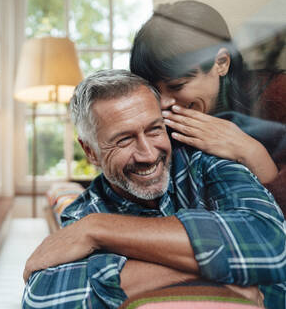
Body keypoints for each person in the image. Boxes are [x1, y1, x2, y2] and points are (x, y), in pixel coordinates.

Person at [22, 70, 286, 309]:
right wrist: (225, 268)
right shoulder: (83, 212)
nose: (148, 154)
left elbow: (273, 244)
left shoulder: (207, 162)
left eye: (154, 130)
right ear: (90, 151)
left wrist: (100, 230)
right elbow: (42, 298)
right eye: (124, 139)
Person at [129, 0, 286, 208]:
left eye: (177, 85)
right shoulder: (153, 123)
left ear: (221, 63)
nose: (163, 103)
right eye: (154, 91)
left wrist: (250, 152)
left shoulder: (278, 96)